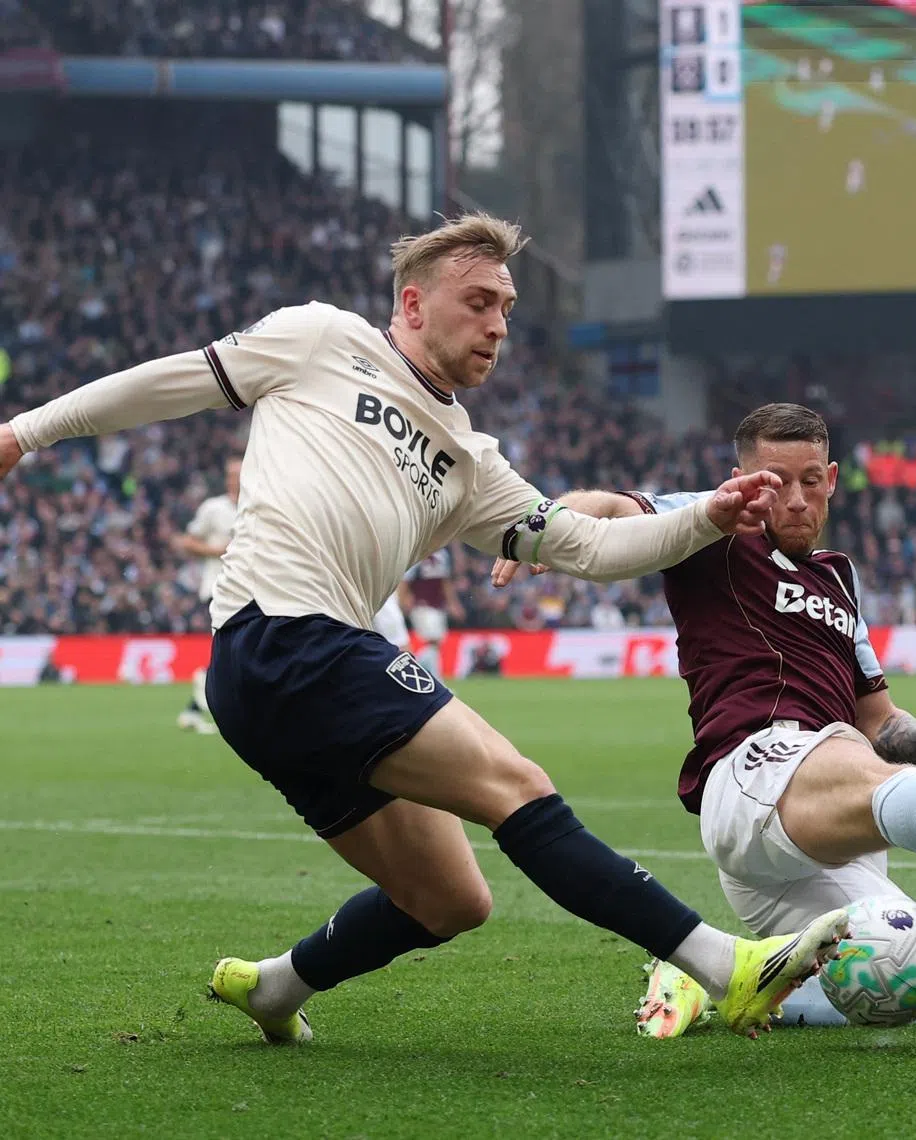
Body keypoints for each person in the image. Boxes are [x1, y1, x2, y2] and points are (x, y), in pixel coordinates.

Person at [0, 216, 851, 1046]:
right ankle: (724, 965)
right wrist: (25, 432)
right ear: (412, 305)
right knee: (513, 782)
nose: (497, 325)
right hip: (285, 636)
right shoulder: (320, 339)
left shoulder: (471, 460)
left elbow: (590, 545)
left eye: (508, 309)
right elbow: (172, 379)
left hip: (290, 680)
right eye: (478, 302)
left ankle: (275, 986)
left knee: (449, 900)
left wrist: (707, 515)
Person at [492, 403, 916, 1036]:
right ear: (742, 480)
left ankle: (713, 982)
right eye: (774, 482)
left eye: (810, 481)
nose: (793, 500)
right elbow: (607, 508)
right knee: (855, 763)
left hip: (826, 832)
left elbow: (881, 727)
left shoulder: (840, 580)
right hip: (752, 776)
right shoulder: (713, 526)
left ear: (831, 479)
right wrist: (540, 528)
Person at [173, 454, 242, 733]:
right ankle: (201, 693)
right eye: (234, 473)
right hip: (219, 587)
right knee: (232, 650)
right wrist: (216, 551)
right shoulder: (214, 508)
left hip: (251, 589)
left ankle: (195, 707)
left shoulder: (259, 504)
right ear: (228, 478)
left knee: (233, 653)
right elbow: (187, 541)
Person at [400, 548, 462, 677]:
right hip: (421, 605)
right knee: (432, 641)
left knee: (436, 643)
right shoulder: (417, 553)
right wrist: (404, 599)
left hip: (438, 606)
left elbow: (445, 582)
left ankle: (418, 668)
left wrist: (452, 603)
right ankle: (433, 677)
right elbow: (405, 580)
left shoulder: (442, 554)